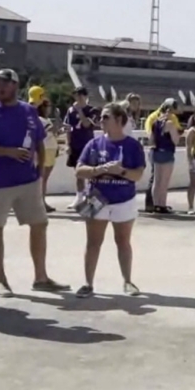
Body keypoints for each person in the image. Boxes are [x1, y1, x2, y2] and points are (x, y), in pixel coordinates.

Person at [0, 68, 69, 297]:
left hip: (27, 181)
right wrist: (7, 151)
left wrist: (38, 170)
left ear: (15, 86)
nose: (0, 87)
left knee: (39, 224)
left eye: (5, 83)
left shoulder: (28, 111)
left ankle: (41, 277)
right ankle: (1, 280)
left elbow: (38, 139)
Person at [73, 103, 146, 298]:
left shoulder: (132, 145)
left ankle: (128, 281)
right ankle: (88, 283)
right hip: (95, 197)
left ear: (119, 120)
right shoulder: (94, 144)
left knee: (123, 241)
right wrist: (101, 169)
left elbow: (138, 175)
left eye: (106, 117)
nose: (101, 121)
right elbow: (79, 170)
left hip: (124, 199)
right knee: (93, 242)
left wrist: (121, 171)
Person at [64, 86, 100, 198]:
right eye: (76, 95)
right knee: (78, 172)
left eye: (80, 95)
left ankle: (91, 195)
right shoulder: (70, 111)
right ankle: (79, 196)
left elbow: (86, 124)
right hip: (75, 144)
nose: (77, 98)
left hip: (88, 144)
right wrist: (68, 144)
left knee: (90, 172)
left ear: (85, 96)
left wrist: (79, 110)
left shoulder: (92, 110)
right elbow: (68, 128)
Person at [147, 98, 181, 214]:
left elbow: (151, 140)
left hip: (156, 152)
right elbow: (175, 140)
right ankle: (162, 204)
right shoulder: (170, 123)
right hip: (167, 152)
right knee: (164, 182)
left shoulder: (155, 122)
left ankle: (156, 204)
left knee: (157, 180)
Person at [35, 98, 59, 213]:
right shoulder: (40, 120)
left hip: (51, 149)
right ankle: (40, 203)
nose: (49, 108)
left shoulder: (47, 119)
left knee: (44, 179)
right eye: (48, 106)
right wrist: (58, 118)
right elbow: (51, 130)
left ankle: (42, 202)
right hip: (46, 149)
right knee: (42, 179)